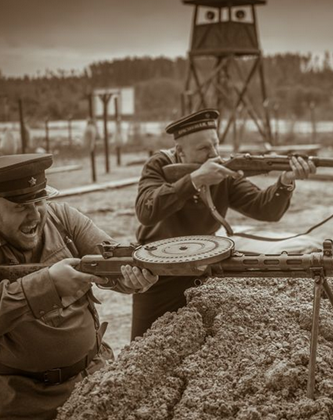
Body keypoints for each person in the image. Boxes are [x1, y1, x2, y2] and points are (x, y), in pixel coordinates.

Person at [0, 153, 158, 420]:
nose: (35, 215)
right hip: (21, 400)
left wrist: (133, 279)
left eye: (39, 201)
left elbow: (111, 262)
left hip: (94, 381)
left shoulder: (63, 218)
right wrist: (48, 286)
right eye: (20, 207)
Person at [131, 109, 314, 339]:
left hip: (204, 268)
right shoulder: (158, 165)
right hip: (157, 274)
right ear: (180, 151)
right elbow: (146, 210)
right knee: (142, 346)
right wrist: (195, 180)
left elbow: (264, 208)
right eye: (203, 149)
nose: (214, 154)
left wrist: (285, 182)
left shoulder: (221, 169)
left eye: (215, 145)